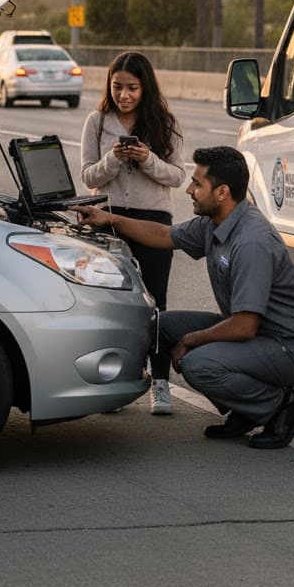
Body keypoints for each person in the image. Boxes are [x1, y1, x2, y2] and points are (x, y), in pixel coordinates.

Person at [75, 146, 294, 450]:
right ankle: (245, 410)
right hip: (258, 334)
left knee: (198, 363)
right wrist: (108, 219)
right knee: (160, 326)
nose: (189, 190)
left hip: (290, 346)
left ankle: (281, 407)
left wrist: (191, 340)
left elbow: (244, 326)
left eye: (197, 184)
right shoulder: (214, 222)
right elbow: (165, 235)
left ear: (222, 193)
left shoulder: (251, 242)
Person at [80, 51, 185, 416]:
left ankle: (160, 382)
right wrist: (113, 158)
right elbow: (89, 177)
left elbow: (177, 176)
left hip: (153, 220)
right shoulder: (97, 121)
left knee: (155, 303)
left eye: (132, 88)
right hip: (107, 217)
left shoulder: (163, 121)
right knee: (109, 303)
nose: (124, 94)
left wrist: (146, 159)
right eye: (117, 87)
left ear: (145, 88)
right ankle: (116, 379)